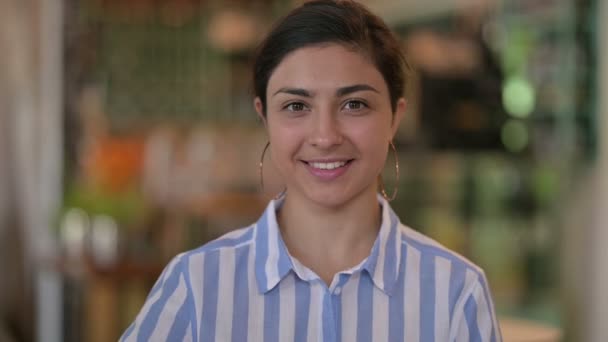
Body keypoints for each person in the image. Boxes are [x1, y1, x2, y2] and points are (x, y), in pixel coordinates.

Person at [121, 1, 502, 341]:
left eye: (354, 104)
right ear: (264, 116)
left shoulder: (455, 291)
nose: (325, 136)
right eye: (296, 107)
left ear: (395, 117)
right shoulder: (197, 285)